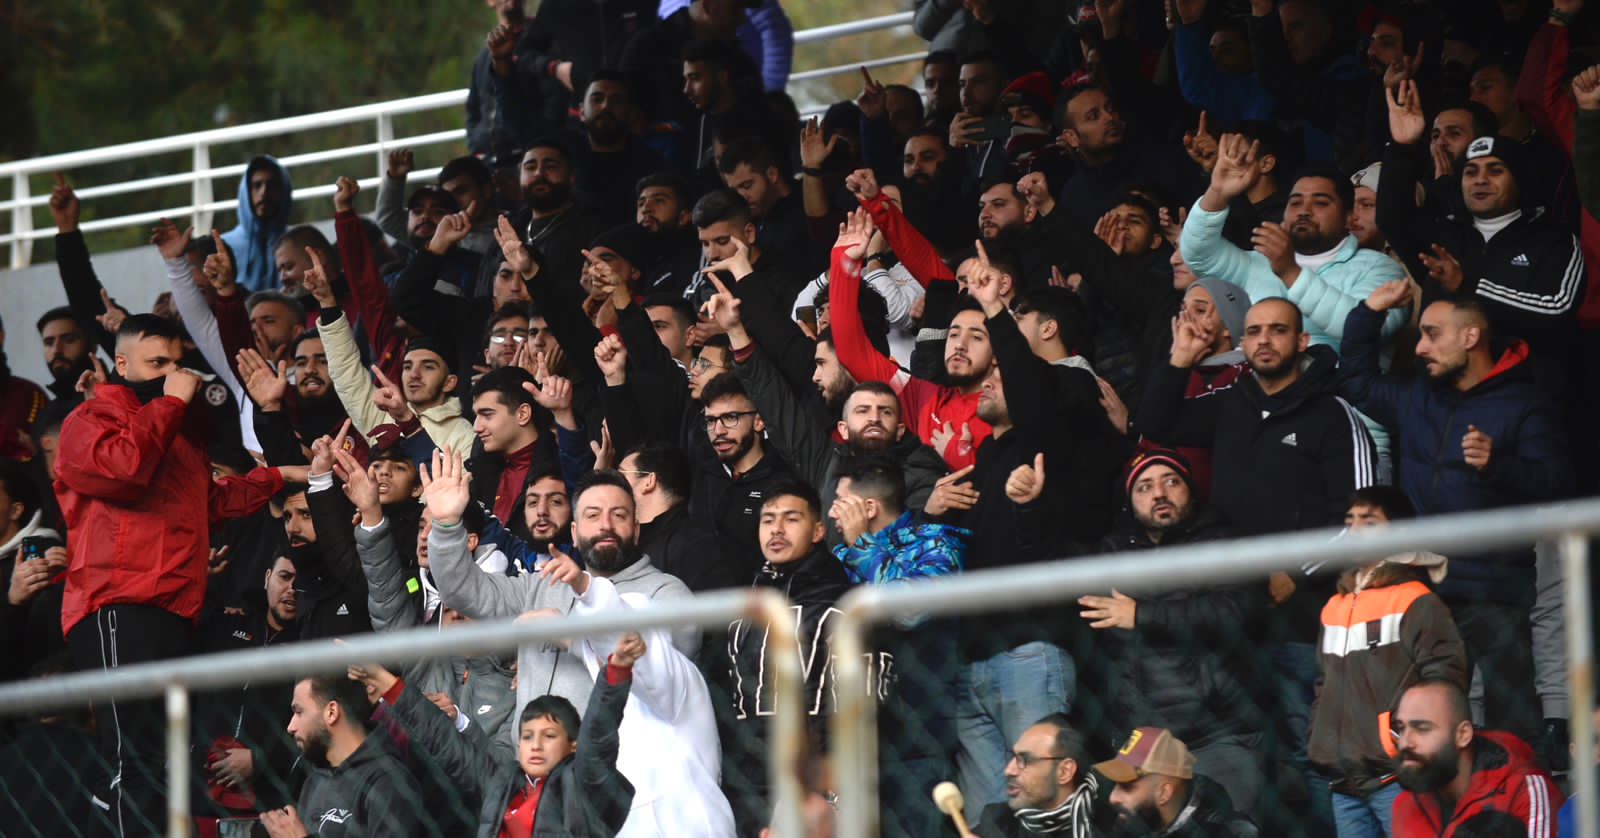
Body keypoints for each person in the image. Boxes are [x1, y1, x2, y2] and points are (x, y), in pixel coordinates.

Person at [54, 314, 298, 835]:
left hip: (174, 609)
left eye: (176, 363)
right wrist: (170, 405)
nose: (172, 374)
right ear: (122, 365)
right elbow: (124, 471)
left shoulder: (176, 434)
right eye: (157, 363)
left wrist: (277, 477)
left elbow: (208, 502)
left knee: (162, 759)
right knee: (133, 757)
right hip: (117, 604)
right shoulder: (89, 419)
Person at [1340, 281, 1571, 754]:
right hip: (1423, 586)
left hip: (1495, 588)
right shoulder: (1417, 396)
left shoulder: (1523, 403)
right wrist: (1368, 312)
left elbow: (1556, 484)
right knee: (1426, 718)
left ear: (1471, 337)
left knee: (1510, 725)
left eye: (1432, 334)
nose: (1420, 347)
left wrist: (1498, 464)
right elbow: (1356, 381)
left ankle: (1517, 791)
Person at [420, 451, 695, 732]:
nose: (605, 525)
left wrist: (571, 636)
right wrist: (447, 525)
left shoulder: (667, 593)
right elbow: (462, 592)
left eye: (619, 515)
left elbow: (659, 679)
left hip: (612, 758)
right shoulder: (540, 586)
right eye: (593, 515)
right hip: (530, 757)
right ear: (574, 532)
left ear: (636, 529)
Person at [1079, 450, 1268, 819]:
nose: (1159, 494)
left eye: (1171, 482)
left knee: (1227, 826)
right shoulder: (1113, 552)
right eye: (1144, 487)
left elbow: (1237, 612)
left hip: (1218, 732)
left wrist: (1142, 614)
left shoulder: (1222, 542)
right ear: (1130, 503)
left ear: (1191, 491)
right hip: (1143, 737)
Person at [349, 635, 639, 838]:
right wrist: (383, 681)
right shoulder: (503, 783)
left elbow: (598, 736)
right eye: (527, 736)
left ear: (573, 745)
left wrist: (615, 673)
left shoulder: (582, 787)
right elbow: (444, 740)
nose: (536, 745)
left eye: (549, 736)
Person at [1308, 487, 1468, 838]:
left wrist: (1403, 737)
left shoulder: (1415, 599)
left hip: (1399, 776)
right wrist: (1321, 734)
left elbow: (1446, 677)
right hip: (1344, 779)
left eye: (1369, 522)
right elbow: (1323, 683)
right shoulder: (1334, 605)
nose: (1354, 530)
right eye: (1350, 521)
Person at [725, 481, 853, 835]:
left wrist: (830, 786)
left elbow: (857, 705)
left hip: (814, 782)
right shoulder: (751, 604)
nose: (777, 529)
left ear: (818, 531)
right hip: (748, 782)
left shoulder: (840, 604)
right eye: (768, 520)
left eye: (791, 519)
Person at [256, 674, 425, 836]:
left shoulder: (389, 782)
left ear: (331, 712)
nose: (290, 727)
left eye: (299, 712)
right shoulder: (315, 779)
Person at [1390, 679, 1562, 836]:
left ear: (1463, 735)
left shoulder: (1524, 790)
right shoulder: (1406, 805)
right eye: (1401, 728)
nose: (1405, 742)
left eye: (1422, 728)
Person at [1098, 727, 1258, 837]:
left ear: (1164, 793)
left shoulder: (1226, 832)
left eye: (1127, 787)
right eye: (1115, 784)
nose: (1113, 797)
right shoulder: (1128, 823)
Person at [618, 442, 733, 591]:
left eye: (621, 475)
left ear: (649, 482)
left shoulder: (696, 546)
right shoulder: (628, 539)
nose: (614, 484)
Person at [975, 714, 1112, 838]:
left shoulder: (1108, 822)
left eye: (1025, 760)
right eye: (1014, 756)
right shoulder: (998, 821)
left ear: (1064, 771)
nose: (1009, 770)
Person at [222, 156, 293, 293]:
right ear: (246, 192)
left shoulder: (297, 245)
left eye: (272, 185)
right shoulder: (224, 246)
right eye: (257, 185)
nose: (264, 192)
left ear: (283, 191)